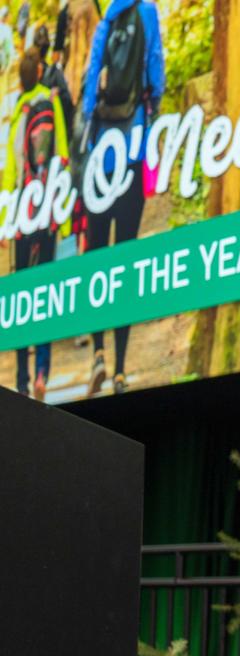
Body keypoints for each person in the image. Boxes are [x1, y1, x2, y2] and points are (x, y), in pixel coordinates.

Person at [81, 0, 164, 395]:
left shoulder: (106, 21)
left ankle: (96, 352)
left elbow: (90, 81)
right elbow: (155, 72)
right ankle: (117, 369)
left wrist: (88, 127)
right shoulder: (147, 13)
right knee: (125, 259)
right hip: (132, 143)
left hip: (101, 150)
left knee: (98, 257)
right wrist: (154, 108)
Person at [2, 47, 69, 400]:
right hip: (48, 212)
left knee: (22, 298)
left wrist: (5, 223)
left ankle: (24, 381)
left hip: (23, 218)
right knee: (47, 294)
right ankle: (44, 370)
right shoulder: (51, 101)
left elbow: (11, 172)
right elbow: (62, 154)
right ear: (40, 72)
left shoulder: (20, 112)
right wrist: (63, 213)